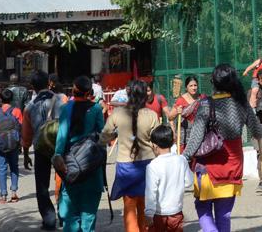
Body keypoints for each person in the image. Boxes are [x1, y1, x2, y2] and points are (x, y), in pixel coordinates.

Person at [183, 63, 262, 232]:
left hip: (209, 167)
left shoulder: (206, 104)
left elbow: (196, 137)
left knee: (203, 208)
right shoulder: (241, 103)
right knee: (224, 213)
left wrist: (184, 157)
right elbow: (257, 131)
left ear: (213, 82)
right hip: (233, 166)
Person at [101, 80, 159, 232]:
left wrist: (115, 134)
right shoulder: (152, 115)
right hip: (148, 164)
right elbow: (158, 140)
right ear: (144, 96)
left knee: (129, 205)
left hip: (125, 165)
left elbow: (103, 137)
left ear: (128, 94)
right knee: (145, 205)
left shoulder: (117, 113)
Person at [53, 76, 105, 232]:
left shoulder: (65, 108)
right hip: (92, 168)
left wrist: (57, 157)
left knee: (70, 213)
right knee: (89, 214)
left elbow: (61, 138)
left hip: (70, 166)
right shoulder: (96, 109)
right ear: (89, 92)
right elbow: (101, 137)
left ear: (74, 90)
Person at [22, 70, 67, 230]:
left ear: (32, 86)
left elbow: (26, 135)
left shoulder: (29, 107)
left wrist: (26, 154)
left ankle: (49, 220)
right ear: (49, 82)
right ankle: (64, 215)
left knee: (42, 185)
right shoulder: (62, 100)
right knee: (66, 180)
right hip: (61, 146)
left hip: (41, 148)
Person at [144, 125, 192, 232]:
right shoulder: (181, 160)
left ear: (155, 146)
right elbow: (189, 182)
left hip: (158, 213)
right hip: (176, 210)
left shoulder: (152, 166)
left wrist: (148, 213)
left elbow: (151, 192)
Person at [0, 88, 23, 204]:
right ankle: (14, 193)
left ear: (0, 99)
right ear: (12, 99)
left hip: (1, 146)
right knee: (14, 167)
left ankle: (3, 196)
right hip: (14, 145)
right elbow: (21, 129)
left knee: (2, 169)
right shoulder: (17, 111)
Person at [170, 76, 202, 153]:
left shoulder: (202, 98)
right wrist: (173, 132)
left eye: (195, 85)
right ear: (186, 87)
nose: (194, 88)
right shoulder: (180, 100)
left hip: (198, 135)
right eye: (191, 86)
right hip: (184, 137)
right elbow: (170, 117)